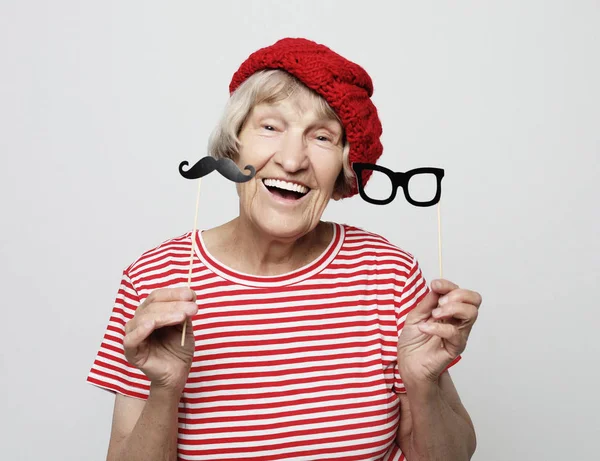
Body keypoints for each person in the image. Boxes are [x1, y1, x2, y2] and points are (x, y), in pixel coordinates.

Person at [88, 38, 482, 461]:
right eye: (271, 126)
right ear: (234, 144)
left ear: (344, 170)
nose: (293, 160)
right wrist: (165, 391)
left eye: (322, 137)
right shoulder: (156, 278)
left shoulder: (389, 273)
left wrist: (422, 383)